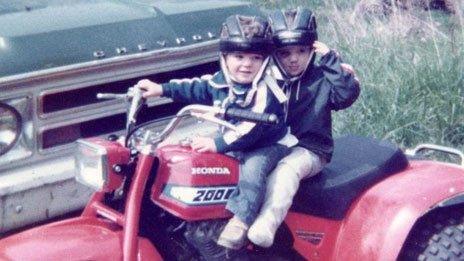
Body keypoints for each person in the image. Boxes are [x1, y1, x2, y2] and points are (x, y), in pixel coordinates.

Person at [136, 15, 293, 250]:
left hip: (268, 143)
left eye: (255, 58)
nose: (246, 64)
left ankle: (242, 220)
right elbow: (194, 87)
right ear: (225, 57)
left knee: (252, 169)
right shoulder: (220, 82)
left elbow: (252, 130)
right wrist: (161, 89)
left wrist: (218, 144)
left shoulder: (265, 89)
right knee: (203, 164)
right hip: (236, 141)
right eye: (239, 56)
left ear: (265, 61)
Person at [247, 7, 361, 247]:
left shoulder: (321, 78)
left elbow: (345, 95)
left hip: (311, 149)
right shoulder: (267, 78)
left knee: (287, 169)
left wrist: (331, 60)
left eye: (302, 51)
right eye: (285, 52)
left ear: (312, 50)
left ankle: (267, 223)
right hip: (276, 145)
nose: (294, 59)